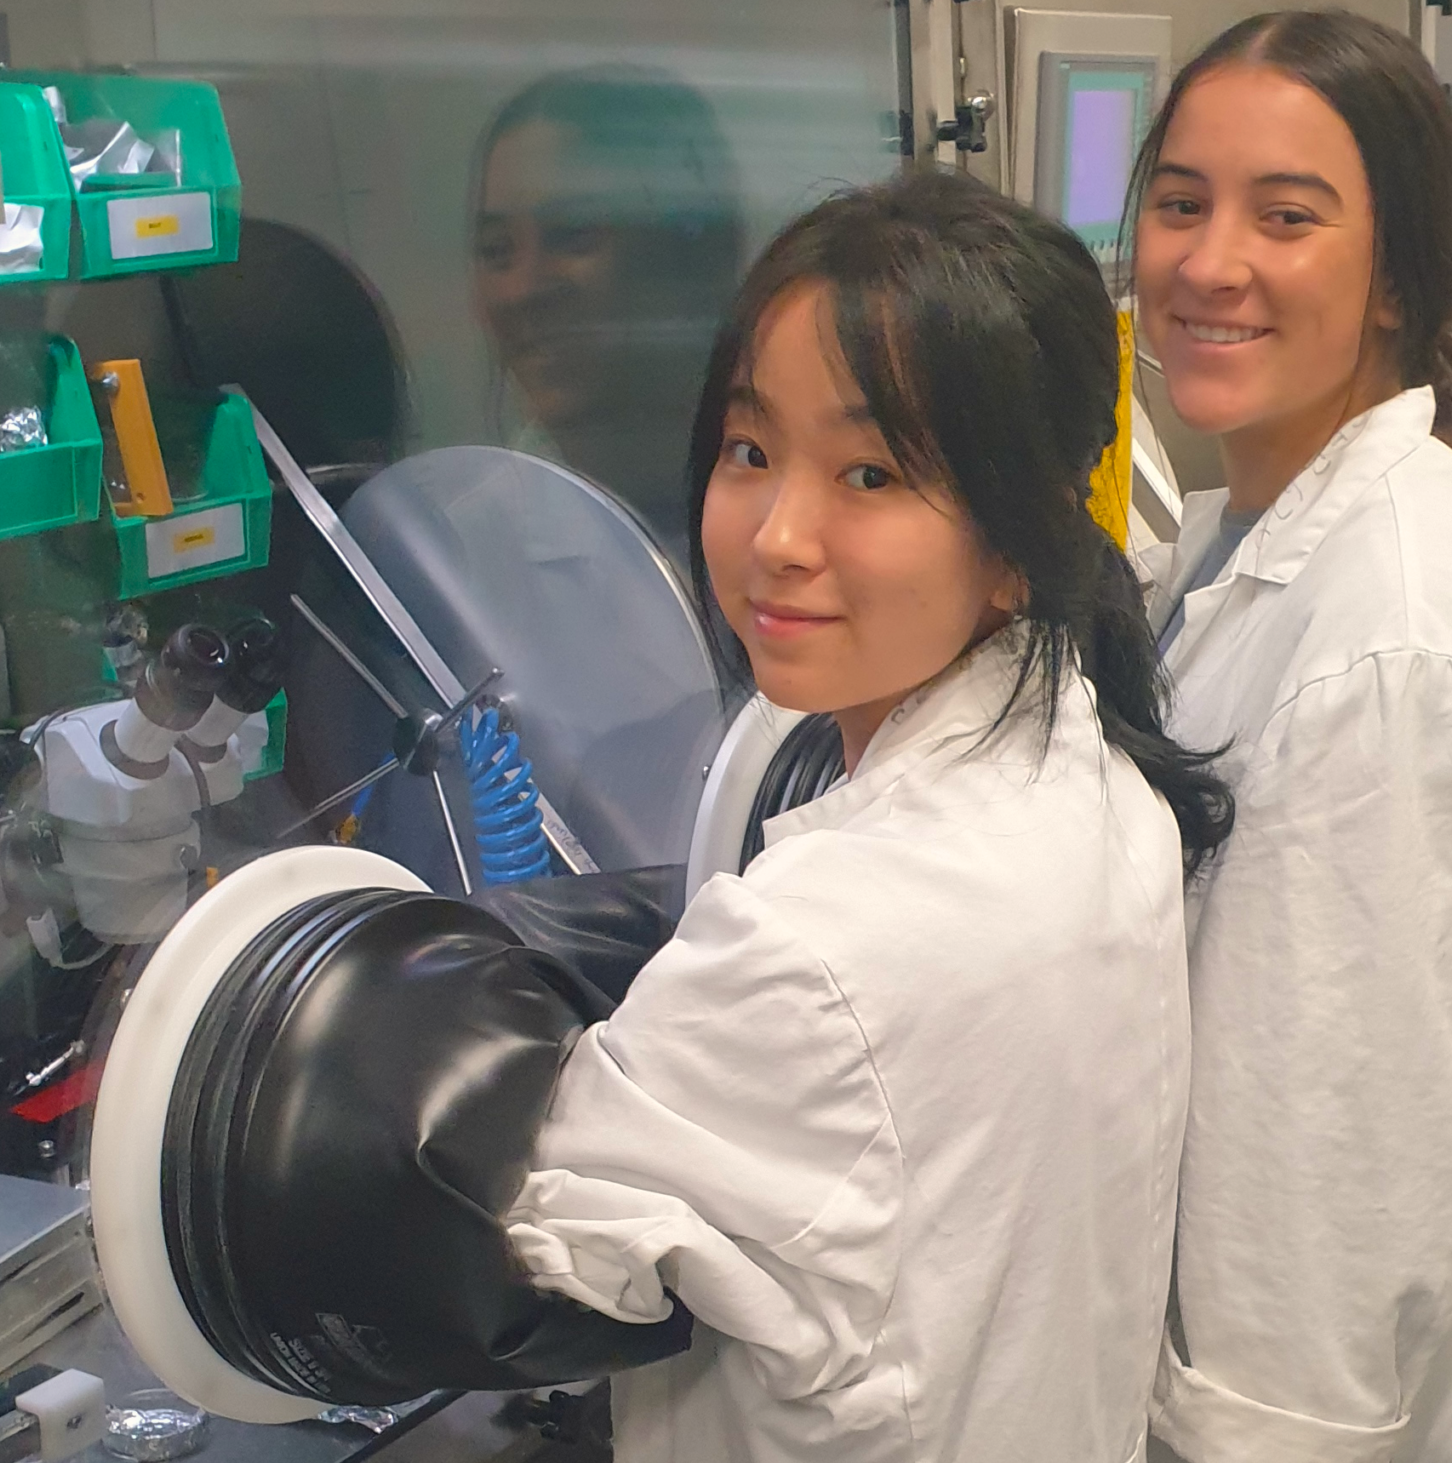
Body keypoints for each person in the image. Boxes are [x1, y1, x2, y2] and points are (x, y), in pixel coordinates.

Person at [501, 168, 1232, 1462]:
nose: (781, 534)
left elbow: (534, 1240)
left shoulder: (815, 950)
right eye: (751, 450)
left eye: (871, 470)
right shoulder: (1103, 779)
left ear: (1014, 543)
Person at [1129, 13, 1452, 1463]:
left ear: (1396, 282)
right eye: (1180, 201)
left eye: (1287, 216)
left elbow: (1328, 1197)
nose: (1209, 262)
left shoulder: (1387, 646)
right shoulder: (1247, 525)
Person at [470, 66, 744, 560]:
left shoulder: (792, 517)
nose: (523, 290)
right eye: (497, 250)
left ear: (688, 254)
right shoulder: (465, 551)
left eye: (572, 235)